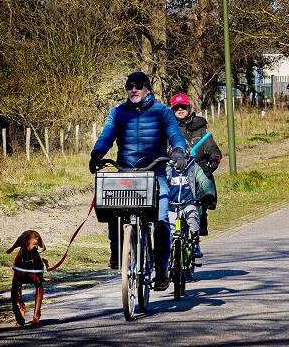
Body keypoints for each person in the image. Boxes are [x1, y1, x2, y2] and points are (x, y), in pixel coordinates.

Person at [89, 71, 187, 290]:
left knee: (161, 219)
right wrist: (96, 154)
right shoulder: (118, 113)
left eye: (139, 85)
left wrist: (179, 150)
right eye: (130, 86)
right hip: (126, 172)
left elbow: (175, 134)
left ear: (147, 89)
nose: (134, 89)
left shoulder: (162, 112)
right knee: (110, 205)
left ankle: (161, 269)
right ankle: (117, 251)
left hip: (156, 173)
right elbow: (107, 136)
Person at [171, 93, 222, 246]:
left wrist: (214, 157)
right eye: (176, 107)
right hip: (174, 168)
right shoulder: (168, 129)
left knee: (202, 180)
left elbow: (211, 146)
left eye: (183, 106)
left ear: (189, 107)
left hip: (196, 166)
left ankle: (206, 203)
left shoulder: (200, 127)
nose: (180, 109)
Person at [164, 143, 216, 259]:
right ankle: (169, 254)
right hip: (171, 205)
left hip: (189, 202)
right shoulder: (167, 169)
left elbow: (204, 181)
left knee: (193, 217)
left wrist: (208, 193)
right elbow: (160, 182)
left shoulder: (193, 167)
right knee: (170, 227)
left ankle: (195, 243)